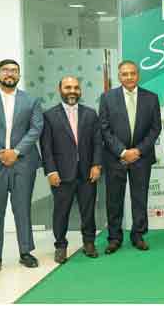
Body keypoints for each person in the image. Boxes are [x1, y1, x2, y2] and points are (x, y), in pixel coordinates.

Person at [0, 59, 44, 273]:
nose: (10, 74)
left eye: (14, 70)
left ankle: (25, 252)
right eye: (5, 70)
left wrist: (16, 152)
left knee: (23, 208)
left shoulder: (31, 101)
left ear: (19, 75)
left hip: (23, 162)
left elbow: (36, 128)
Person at [98, 60, 161, 253]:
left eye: (132, 73)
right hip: (115, 157)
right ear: (119, 76)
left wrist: (138, 151)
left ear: (138, 75)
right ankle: (114, 238)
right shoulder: (107, 98)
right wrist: (123, 152)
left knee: (140, 198)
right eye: (125, 74)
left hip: (142, 157)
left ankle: (138, 235)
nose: (129, 77)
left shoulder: (151, 98)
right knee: (114, 200)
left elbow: (155, 128)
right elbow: (104, 128)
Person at [40, 76, 103, 264]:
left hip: (87, 173)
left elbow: (97, 142)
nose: (72, 91)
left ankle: (89, 243)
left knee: (88, 211)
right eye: (68, 87)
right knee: (61, 212)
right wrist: (51, 171)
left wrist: (96, 165)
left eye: (76, 87)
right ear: (60, 90)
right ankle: (60, 246)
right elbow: (46, 147)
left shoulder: (90, 114)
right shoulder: (49, 115)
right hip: (61, 174)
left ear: (80, 90)